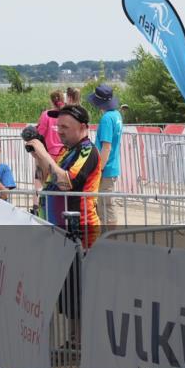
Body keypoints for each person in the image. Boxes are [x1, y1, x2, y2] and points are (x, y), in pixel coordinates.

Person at [25, 104, 102, 247]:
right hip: (61, 229)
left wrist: (44, 154)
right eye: (58, 126)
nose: (59, 131)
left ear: (82, 127)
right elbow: (47, 180)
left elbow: (66, 184)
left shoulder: (87, 150)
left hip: (80, 231)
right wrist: (38, 157)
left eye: (65, 127)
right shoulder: (66, 150)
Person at [88, 84, 124, 228]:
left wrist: (99, 169)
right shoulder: (116, 115)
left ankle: (109, 236)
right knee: (106, 203)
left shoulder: (107, 119)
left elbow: (106, 147)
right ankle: (109, 235)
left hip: (106, 168)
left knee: (106, 205)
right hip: (112, 165)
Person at [36, 89, 66, 156]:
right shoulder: (67, 114)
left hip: (50, 153)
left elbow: (40, 133)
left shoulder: (46, 114)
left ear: (51, 101)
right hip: (66, 153)